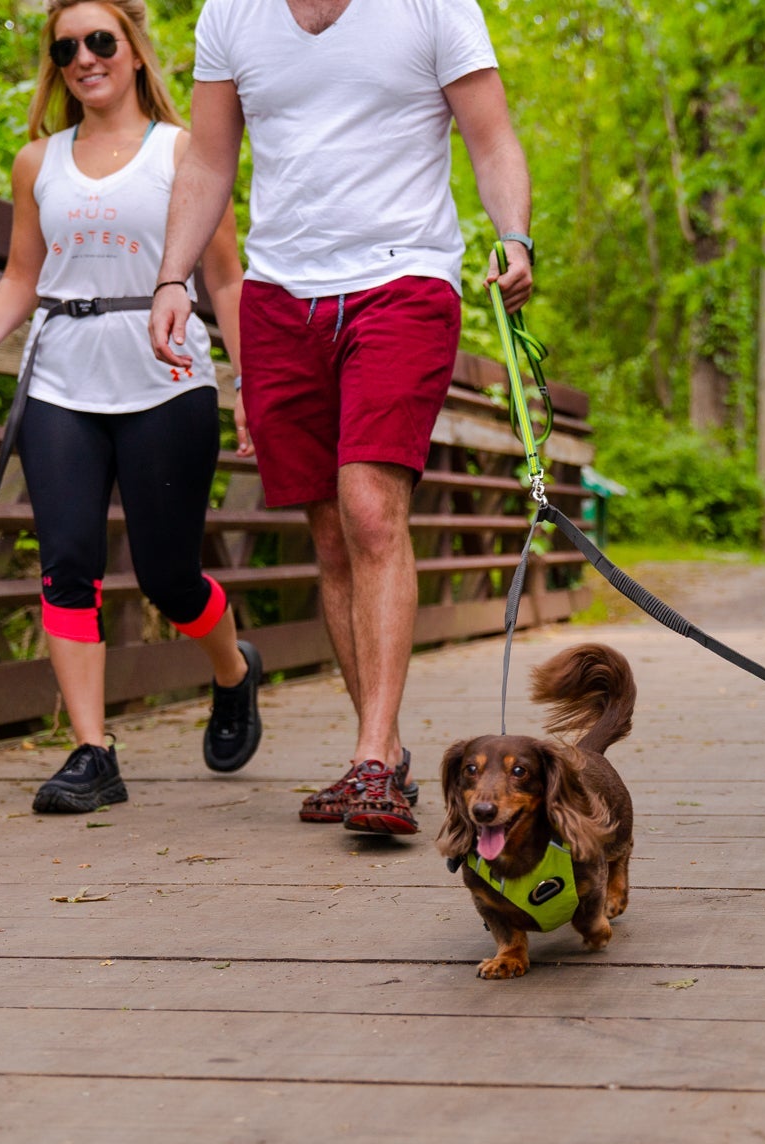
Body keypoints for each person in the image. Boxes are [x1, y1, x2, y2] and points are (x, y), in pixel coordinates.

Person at [150, 0, 534, 837]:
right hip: (279, 293)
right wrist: (173, 276)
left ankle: (367, 755)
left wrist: (515, 236)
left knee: (369, 508)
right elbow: (211, 161)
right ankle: (384, 760)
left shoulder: (434, 6)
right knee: (328, 531)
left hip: (405, 278)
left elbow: (492, 137)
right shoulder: (231, 15)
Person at [0, 0, 264, 814]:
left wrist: (252, 387)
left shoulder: (186, 150)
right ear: (56, 65)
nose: (85, 57)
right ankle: (94, 750)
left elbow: (224, 280)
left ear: (132, 51)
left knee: (167, 574)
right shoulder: (37, 162)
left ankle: (234, 671)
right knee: (67, 561)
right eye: (67, 48)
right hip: (61, 379)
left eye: (100, 40)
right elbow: (23, 273)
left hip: (165, 376)